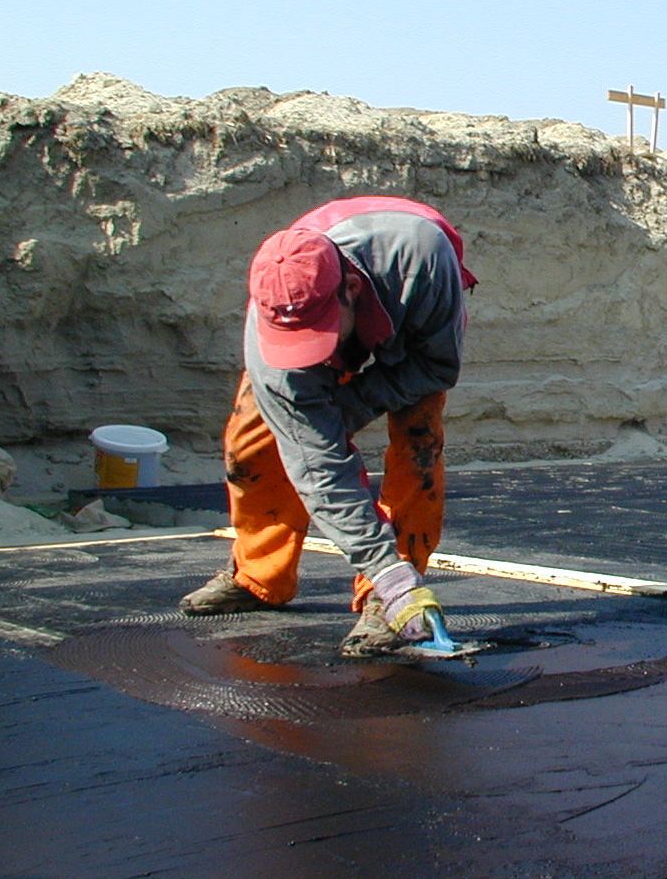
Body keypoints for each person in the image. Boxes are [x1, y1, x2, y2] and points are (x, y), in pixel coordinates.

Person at [178, 196, 477, 657]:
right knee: (251, 447)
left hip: (410, 314)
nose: (308, 353)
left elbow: (436, 366)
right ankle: (260, 578)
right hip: (356, 301)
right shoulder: (272, 320)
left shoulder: (422, 264)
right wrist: (317, 430)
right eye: (293, 342)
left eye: (316, 335)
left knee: (418, 444)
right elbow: (319, 468)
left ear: (351, 290)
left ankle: (391, 595)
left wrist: (350, 407)